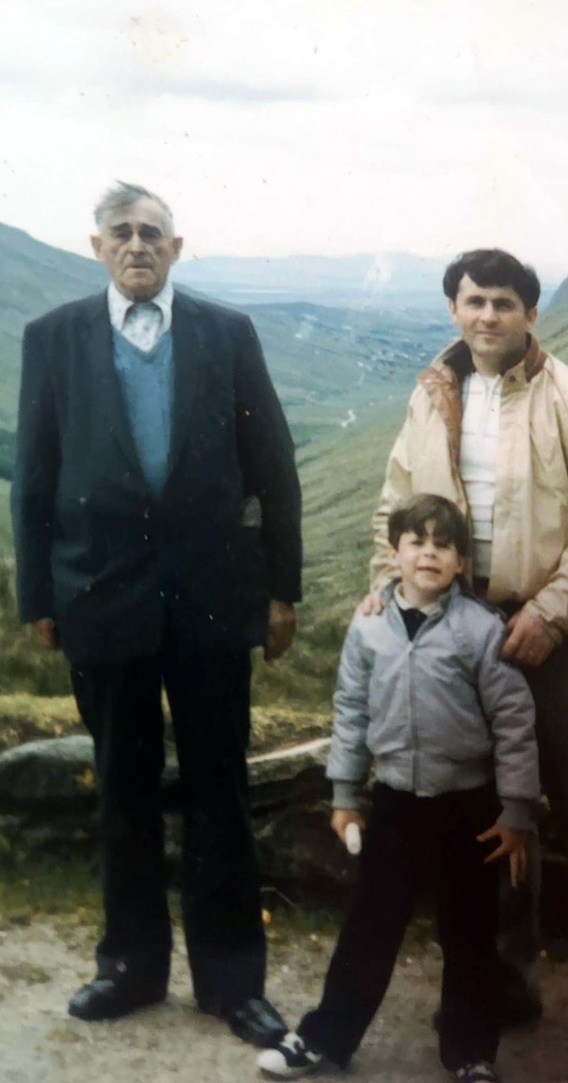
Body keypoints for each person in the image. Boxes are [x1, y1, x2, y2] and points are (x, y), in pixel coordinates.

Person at [11, 182, 301, 1048]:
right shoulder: (53, 338)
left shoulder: (226, 333)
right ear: (95, 245)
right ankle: (128, 968)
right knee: (124, 791)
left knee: (221, 787)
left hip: (213, 602)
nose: (137, 245)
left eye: (153, 234)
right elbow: (34, 477)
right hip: (101, 598)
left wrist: (278, 588)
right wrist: (39, 599)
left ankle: (232, 983)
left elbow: (272, 461)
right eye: (121, 233)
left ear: (177, 249)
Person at [351, 249, 568, 1082]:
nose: (488, 316)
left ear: (531, 316)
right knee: (492, 822)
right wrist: (394, 589)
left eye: (505, 303)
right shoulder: (431, 396)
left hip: (556, 641)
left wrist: (552, 613)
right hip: (462, 638)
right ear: (453, 309)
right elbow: (395, 505)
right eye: (474, 300)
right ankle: (503, 986)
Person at [256, 493, 540, 1083]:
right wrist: (342, 795)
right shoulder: (369, 626)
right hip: (395, 805)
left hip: (470, 808)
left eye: (443, 545)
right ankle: (325, 1037)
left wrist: (515, 810)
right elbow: (351, 711)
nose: (429, 554)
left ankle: (470, 1056)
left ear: (462, 562)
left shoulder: (480, 632)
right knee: (371, 924)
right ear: (395, 552)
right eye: (417, 542)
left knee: (469, 932)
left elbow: (514, 720)